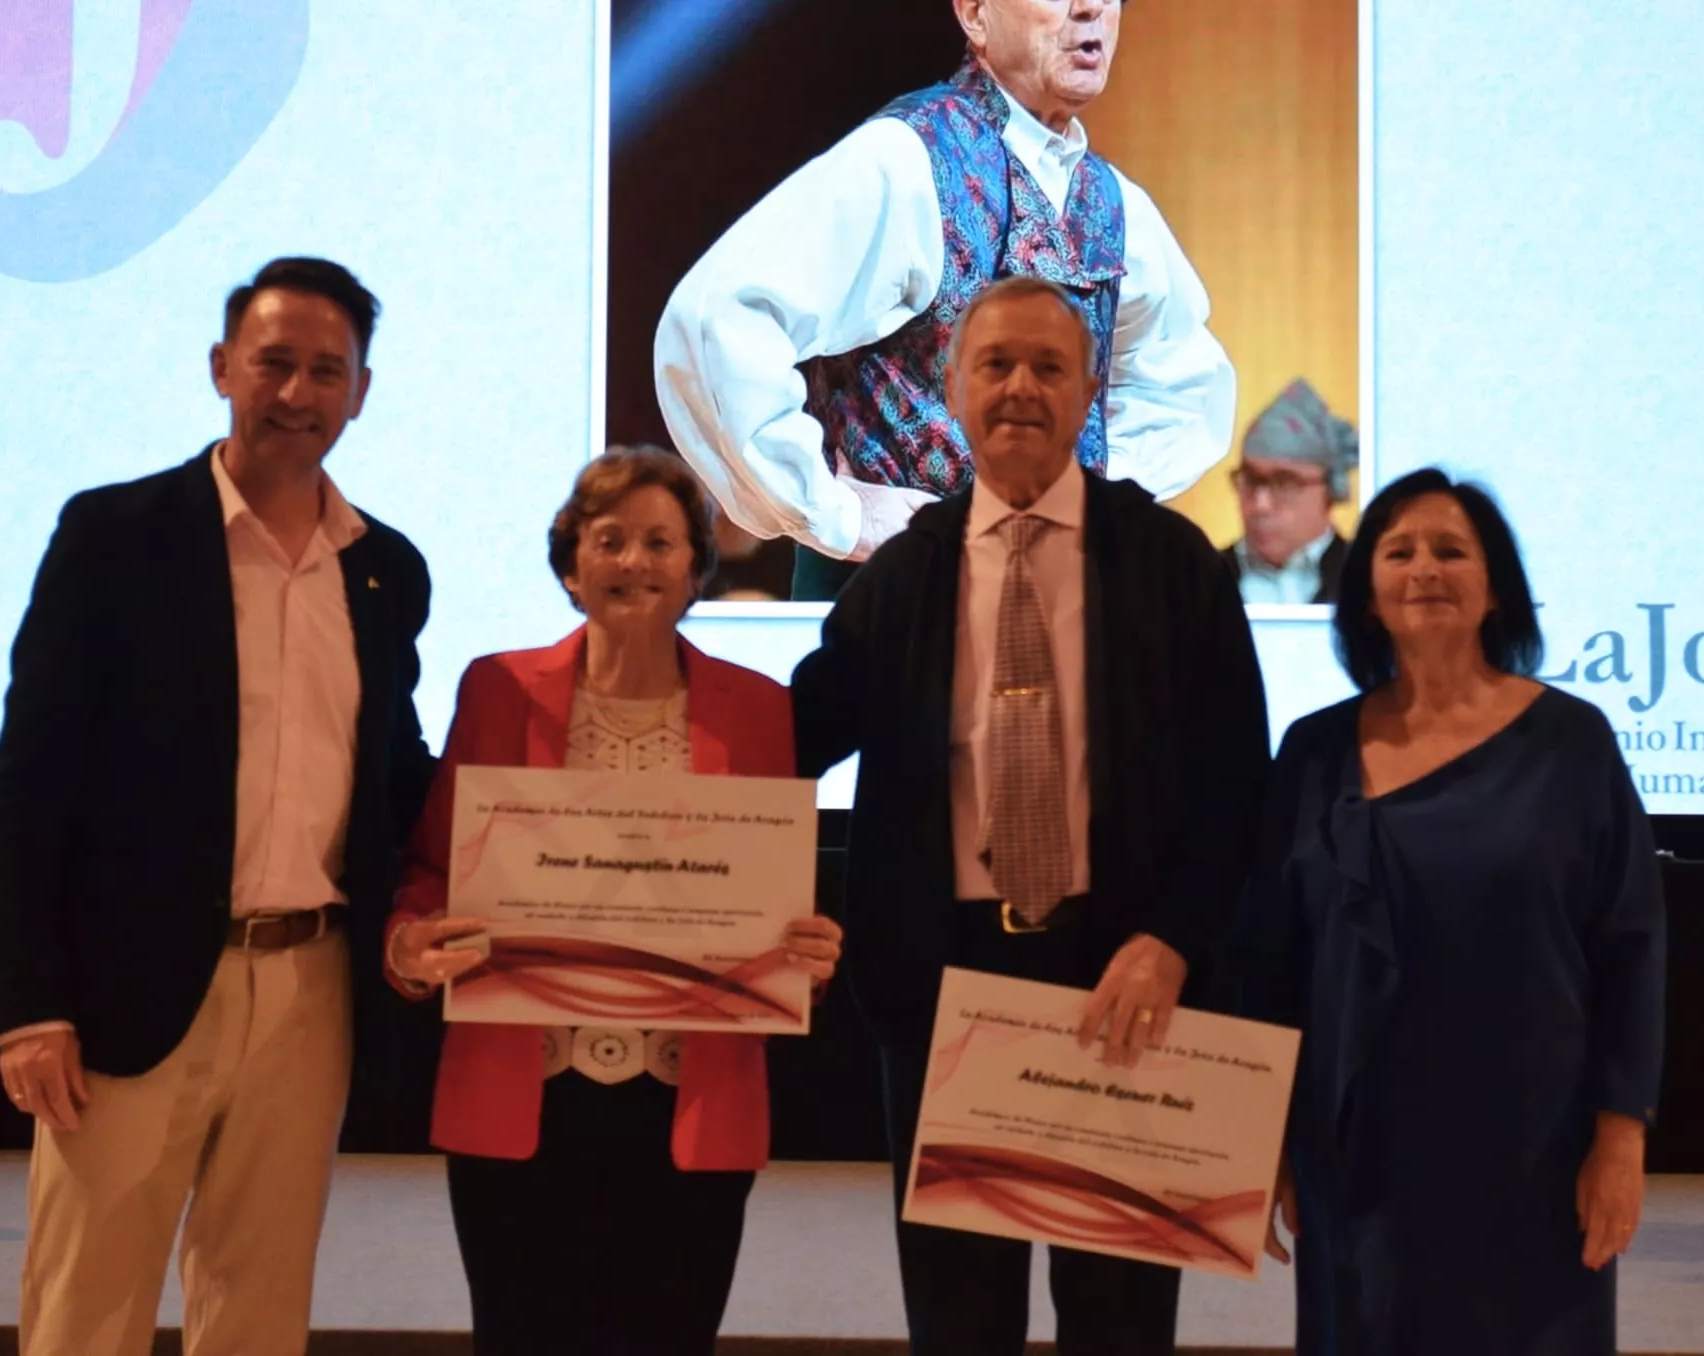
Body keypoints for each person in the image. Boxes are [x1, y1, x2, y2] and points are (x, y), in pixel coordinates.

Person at [793, 275, 1270, 1354]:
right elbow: (782, 741)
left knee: (1120, 1323)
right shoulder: (900, 574)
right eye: (995, 365)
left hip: (1127, 990)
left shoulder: (1171, 565)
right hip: (944, 994)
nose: (1019, 388)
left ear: (1089, 389)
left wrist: (1175, 943)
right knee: (958, 1326)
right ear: (950, 387)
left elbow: (1238, 784)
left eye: (1048, 368)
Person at [0, 257, 435, 1356]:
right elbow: (30, 783)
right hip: (126, 997)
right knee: (88, 1309)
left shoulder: (386, 571)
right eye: (274, 363)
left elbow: (396, 772)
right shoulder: (114, 537)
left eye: (327, 370)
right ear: (221, 367)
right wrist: (27, 1004)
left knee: (260, 1306)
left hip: (312, 991)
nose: (297, 393)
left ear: (361, 390)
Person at [383, 447, 845, 1356]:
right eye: (610, 540)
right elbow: (430, 874)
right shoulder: (498, 688)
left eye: (661, 543)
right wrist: (408, 944)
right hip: (522, 1099)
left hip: (689, 1106)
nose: (635, 562)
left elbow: (772, 906)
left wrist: (807, 960)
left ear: (695, 568)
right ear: (570, 565)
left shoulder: (758, 709)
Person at [1239, 468, 1666, 1355]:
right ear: (1366, 593)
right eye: (1398, 552)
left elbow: (1629, 946)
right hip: (1356, 1154)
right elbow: (1269, 959)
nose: (1424, 569)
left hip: (1532, 1153)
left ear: (1494, 585)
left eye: (1450, 550)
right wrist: (1264, 1135)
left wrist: (1620, 1138)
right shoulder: (1313, 752)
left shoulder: (1572, 744)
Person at [657, 0, 1236, 600]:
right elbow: (719, 317)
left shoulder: (1112, 203)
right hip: (894, 605)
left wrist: (1089, 500)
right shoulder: (905, 160)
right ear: (976, 13)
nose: (1091, 9)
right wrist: (836, 512)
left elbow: (1185, 383)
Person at [1220, 379, 1357, 605]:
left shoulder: (1366, 577)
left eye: (1285, 483)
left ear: (1330, 491)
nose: (1260, 505)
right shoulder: (1201, 576)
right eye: (1251, 479)